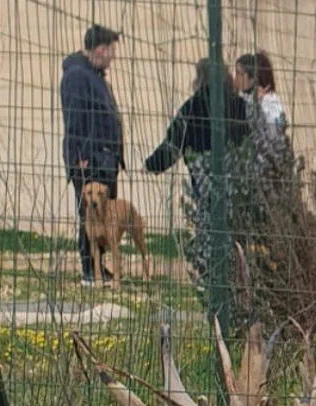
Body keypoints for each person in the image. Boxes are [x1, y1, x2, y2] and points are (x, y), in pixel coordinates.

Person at [60, 24, 125, 286]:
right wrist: (82, 155)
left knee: (103, 216)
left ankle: (99, 267)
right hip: (91, 159)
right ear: (100, 49)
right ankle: (90, 270)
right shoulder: (78, 75)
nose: (112, 56)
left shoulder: (93, 75)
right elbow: (75, 118)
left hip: (104, 158)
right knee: (90, 215)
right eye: (110, 50)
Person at [145, 58, 250, 191]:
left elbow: (173, 145)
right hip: (237, 184)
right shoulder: (240, 105)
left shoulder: (191, 108)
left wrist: (150, 165)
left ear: (200, 77)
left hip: (204, 183)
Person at [234, 52, 288, 140]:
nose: (236, 78)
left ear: (253, 78)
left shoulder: (269, 100)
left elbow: (275, 133)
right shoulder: (244, 97)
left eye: (239, 74)